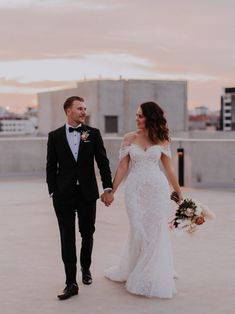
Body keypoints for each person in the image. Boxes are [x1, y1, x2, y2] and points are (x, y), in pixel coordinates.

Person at [105, 101, 183, 298]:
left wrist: (178, 191)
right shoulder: (129, 138)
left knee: (155, 230)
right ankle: (134, 267)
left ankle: (150, 273)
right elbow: (123, 167)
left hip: (157, 190)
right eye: (136, 115)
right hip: (135, 191)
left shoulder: (162, 139)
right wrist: (112, 191)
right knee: (138, 228)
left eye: (140, 115)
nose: (137, 119)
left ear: (150, 117)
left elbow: (169, 168)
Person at [46, 96, 114, 300]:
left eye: (84, 108)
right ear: (68, 111)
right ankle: (70, 282)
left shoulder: (93, 134)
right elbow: (51, 166)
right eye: (79, 108)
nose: (83, 112)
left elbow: (103, 162)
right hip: (63, 195)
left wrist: (108, 188)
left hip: (87, 193)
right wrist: (52, 190)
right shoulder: (55, 136)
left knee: (87, 232)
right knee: (66, 237)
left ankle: (86, 268)